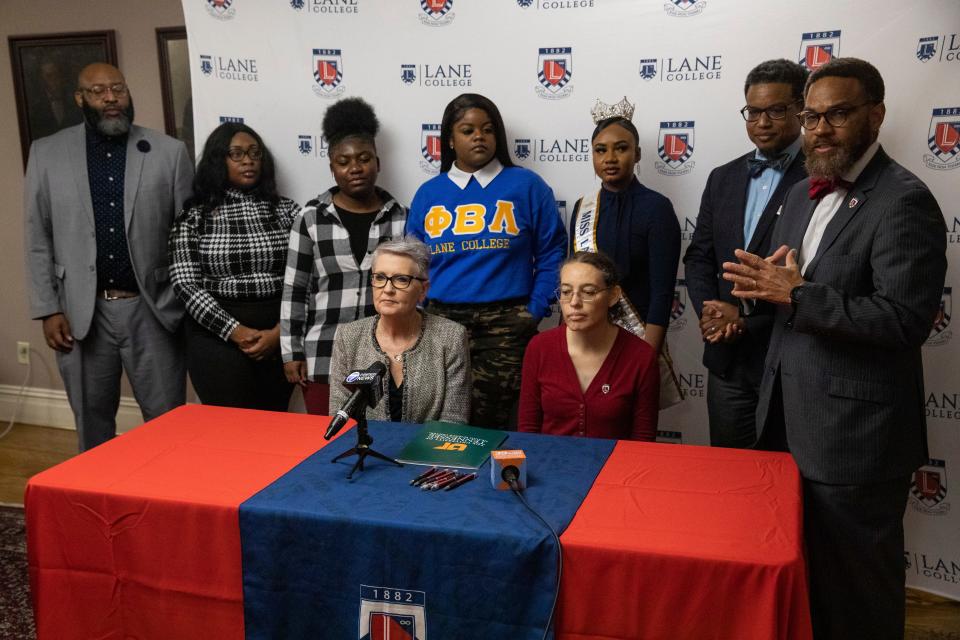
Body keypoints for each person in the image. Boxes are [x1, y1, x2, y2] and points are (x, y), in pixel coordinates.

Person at [722, 58, 947, 639]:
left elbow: (903, 321)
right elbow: (786, 287)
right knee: (803, 589)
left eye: (838, 115)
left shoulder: (904, 200)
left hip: (856, 438)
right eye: (812, 116)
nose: (819, 129)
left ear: (876, 115)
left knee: (857, 599)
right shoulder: (799, 194)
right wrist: (751, 298)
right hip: (784, 421)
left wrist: (798, 295)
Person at [23, 63, 193, 451]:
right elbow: (37, 238)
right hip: (81, 314)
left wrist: (181, 303)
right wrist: (48, 308)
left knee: (167, 423)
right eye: (98, 91)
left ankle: (163, 503)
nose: (111, 98)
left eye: (118, 88)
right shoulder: (47, 154)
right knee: (92, 422)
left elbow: (187, 235)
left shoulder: (168, 152)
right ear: (80, 99)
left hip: (153, 310)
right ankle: (96, 503)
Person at [406, 93, 567, 428]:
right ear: (449, 140)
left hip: (507, 322)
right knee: (441, 417)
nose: (479, 136)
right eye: (468, 130)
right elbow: (412, 262)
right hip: (441, 322)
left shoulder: (526, 185)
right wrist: (418, 315)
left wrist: (534, 309)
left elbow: (553, 251)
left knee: (493, 423)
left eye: (487, 129)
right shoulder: (428, 193)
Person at [683, 59, 808, 448]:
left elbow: (817, 276)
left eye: (776, 110)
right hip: (727, 361)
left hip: (788, 362)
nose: (763, 122)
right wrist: (712, 311)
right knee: (730, 484)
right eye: (753, 112)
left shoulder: (821, 178)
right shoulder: (723, 177)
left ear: (801, 110)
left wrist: (746, 319)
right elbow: (699, 257)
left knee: (786, 487)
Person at [281, 98, 407, 415]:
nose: (355, 168)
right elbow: (295, 290)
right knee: (327, 441)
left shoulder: (401, 219)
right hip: (324, 353)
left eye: (364, 158)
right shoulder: (311, 218)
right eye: (344, 161)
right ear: (332, 167)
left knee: (381, 439)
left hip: (385, 354)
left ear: (378, 162)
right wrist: (291, 351)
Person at [169, 123, 299, 411]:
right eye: (236, 154)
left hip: (278, 332)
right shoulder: (195, 216)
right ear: (219, 160)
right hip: (217, 337)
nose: (248, 160)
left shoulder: (289, 211)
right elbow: (185, 284)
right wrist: (235, 331)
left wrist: (280, 333)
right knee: (230, 430)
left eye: (255, 153)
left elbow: (307, 278)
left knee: (275, 425)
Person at [570, 98, 681, 356]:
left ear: (637, 153)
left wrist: (646, 357)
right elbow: (573, 282)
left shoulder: (657, 207)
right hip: (587, 338)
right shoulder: (582, 207)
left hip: (638, 338)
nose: (610, 158)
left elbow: (662, 293)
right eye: (600, 150)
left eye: (621, 148)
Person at [328, 238, 471, 423]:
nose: (387, 289)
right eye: (380, 277)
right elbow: (338, 414)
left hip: (428, 450)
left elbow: (454, 420)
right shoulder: (348, 336)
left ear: (423, 290)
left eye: (401, 279)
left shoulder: (451, 337)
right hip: (364, 448)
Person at [518, 252, 658, 440]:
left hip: (617, 467)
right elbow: (528, 431)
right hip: (549, 465)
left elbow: (643, 439)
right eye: (566, 292)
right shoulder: (540, 348)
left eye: (589, 292)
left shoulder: (640, 356)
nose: (574, 303)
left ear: (613, 295)